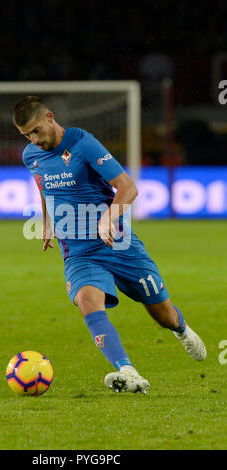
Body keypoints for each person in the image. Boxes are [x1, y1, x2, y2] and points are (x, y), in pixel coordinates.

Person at [13, 96, 206, 394]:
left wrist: (108, 217)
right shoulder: (31, 156)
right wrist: (48, 222)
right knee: (88, 302)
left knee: (163, 315)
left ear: (50, 117)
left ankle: (181, 329)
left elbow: (128, 187)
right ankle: (127, 371)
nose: (34, 140)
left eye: (37, 131)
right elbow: (44, 185)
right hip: (78, 252)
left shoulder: (83, 144)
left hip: (117, 243)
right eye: (26, 135)